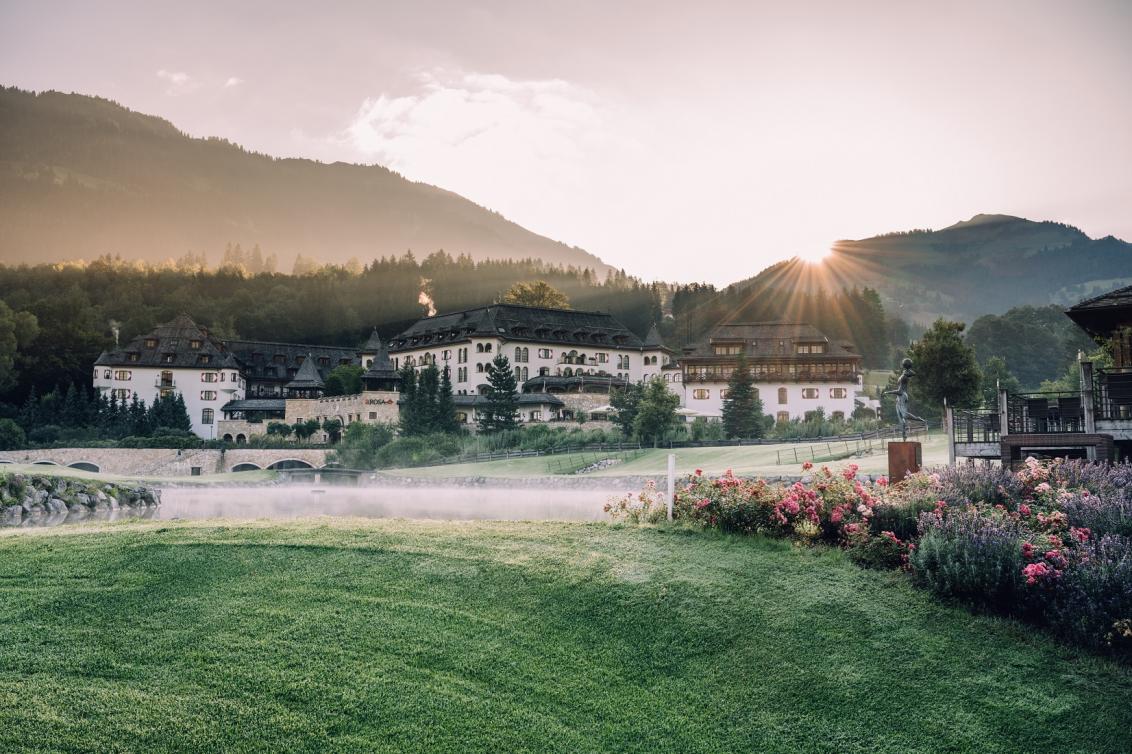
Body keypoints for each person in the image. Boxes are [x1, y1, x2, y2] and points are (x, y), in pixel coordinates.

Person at [884, 358, 924, 441]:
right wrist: (907, 370)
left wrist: (888, 392)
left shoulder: (904, 377)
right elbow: (912, 373)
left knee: (905, 415)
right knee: (901, 419)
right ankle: (904, 435)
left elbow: (899, 391)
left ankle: (917, 418)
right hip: (899, 399)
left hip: (902, 396)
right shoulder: (903, 375)